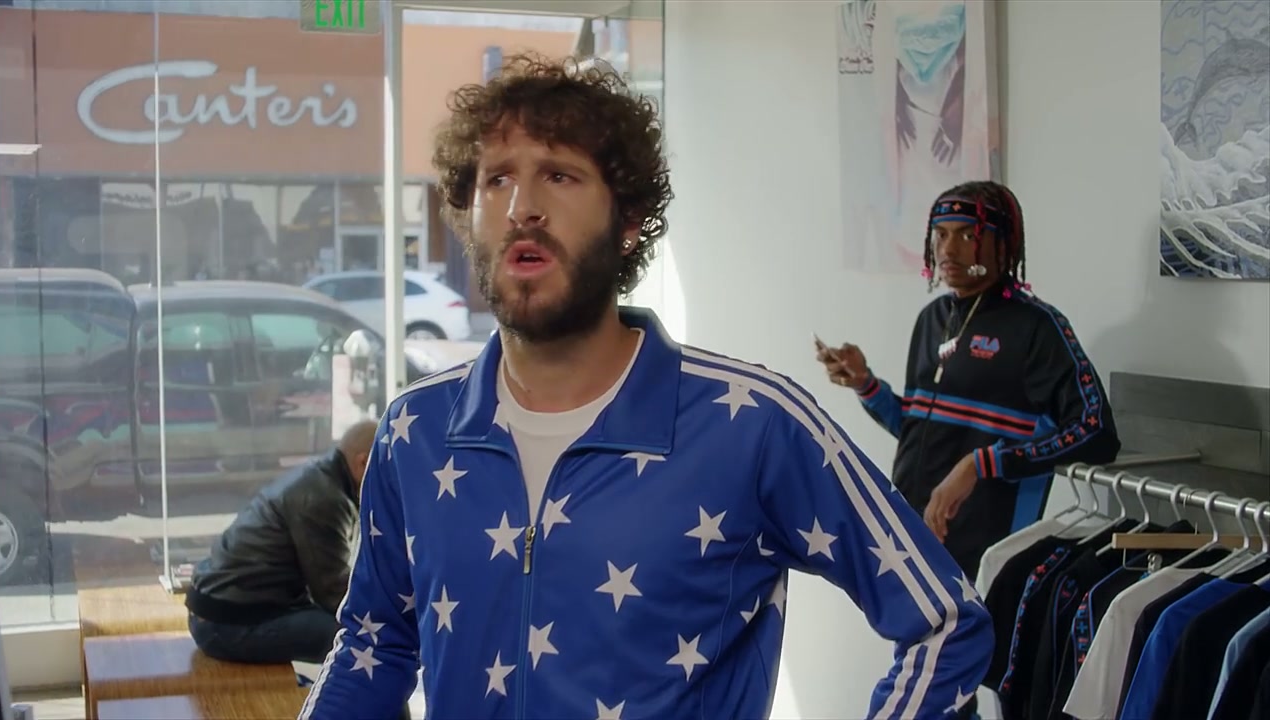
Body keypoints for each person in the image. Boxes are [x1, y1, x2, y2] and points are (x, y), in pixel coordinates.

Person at [299, 55, 992, 720]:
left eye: (559, 175)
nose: (522, 207)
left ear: (628, 222)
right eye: (497, 179)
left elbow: (946, 621)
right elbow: (374, 644)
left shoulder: (752, 424)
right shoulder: (415, 430)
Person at [816, 180, 1122, 580]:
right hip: (909, 540)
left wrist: (982, 464)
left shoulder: (1038, 327)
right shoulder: (932, 319)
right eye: (941, 234)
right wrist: (867, 386)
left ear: (1004, 244)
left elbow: (1097, 433)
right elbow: (919, 431)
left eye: (967, 235)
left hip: (987, 560)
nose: (948, 249)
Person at [186, 420, 377, 665]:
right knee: (360, 638)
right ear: (363, 462)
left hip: (227, 608)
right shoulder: (325, 498)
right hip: (223, 625)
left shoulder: (323, 478)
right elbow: (334, 594)